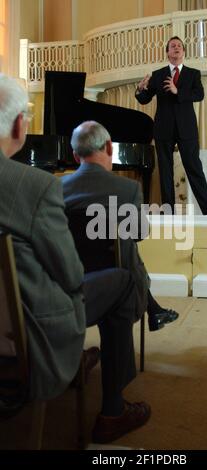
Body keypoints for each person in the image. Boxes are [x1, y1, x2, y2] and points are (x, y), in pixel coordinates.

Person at [0, 74, 150, 444]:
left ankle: (83, 366)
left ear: (72, 153)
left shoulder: (59, 187)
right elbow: (69, 276)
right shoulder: (37, 187)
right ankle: (112, 409)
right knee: (123, 278)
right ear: (20, 124)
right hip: (31, 325)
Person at [61, 120, 179, 332]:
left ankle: (155, 311)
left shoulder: (56, 189)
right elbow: (141, 232)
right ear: (109, 147)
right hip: (122, 287)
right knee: (125, 243)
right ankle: (152, 312)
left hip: (69, 282)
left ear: (75, 156)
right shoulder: (127, 189)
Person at [135, 36, 207, 216]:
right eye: (172, 46)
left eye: (179, 46)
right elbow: (144, 100)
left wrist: (178, 91)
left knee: (194, 167)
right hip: (163, 128)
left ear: (183, 52)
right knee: (165, 169)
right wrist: (140, 89)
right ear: (168, 53)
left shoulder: (193, 74)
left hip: (187, 128)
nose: (176, 48)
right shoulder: (158, 74)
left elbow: (199, 95)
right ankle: (168, 211)